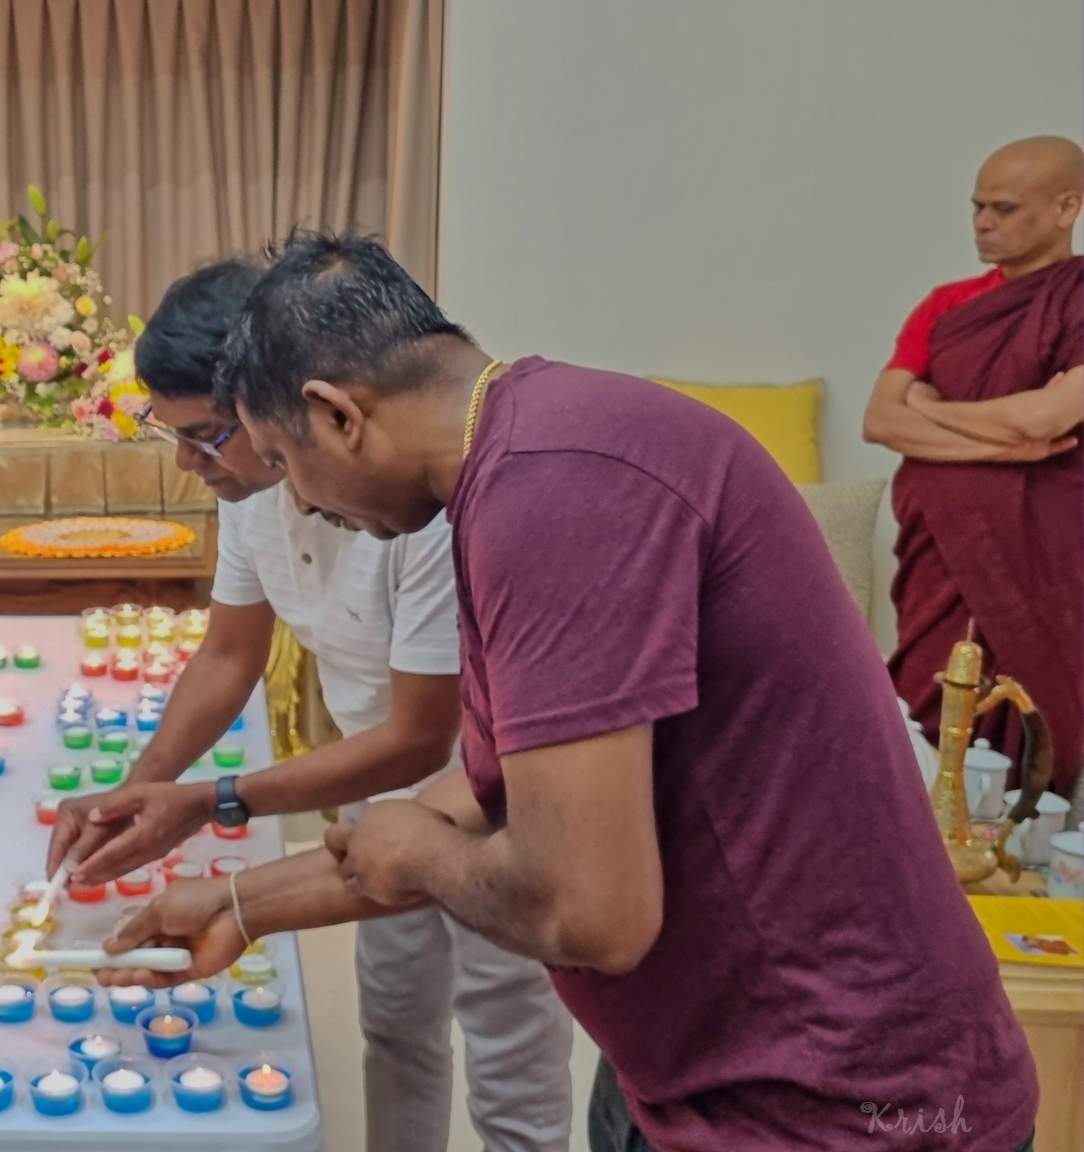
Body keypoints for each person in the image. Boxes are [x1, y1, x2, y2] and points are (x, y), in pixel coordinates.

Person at [105, 232, 1039, 1151]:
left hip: (839, 1096)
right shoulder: (530, 448)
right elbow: (483, 790)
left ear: (338, 413)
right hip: (703, 1063)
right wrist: (239, 905)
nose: (300, 503)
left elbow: (591, 912)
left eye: (285, 460)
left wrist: (419, 854)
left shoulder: (551, 494)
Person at [47, 259, 572, 1152]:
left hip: (495, 795)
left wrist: (211, 802)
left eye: (207, 436)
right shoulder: (251, 493)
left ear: (284, 410)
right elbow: (229, 653)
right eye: (168, 434)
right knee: (396, 1018)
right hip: (374, 794)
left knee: (505, 1036)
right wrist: (143, 788)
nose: (187, 462)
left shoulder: (417, 511)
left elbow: (422, 738)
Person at [863, 135, 1083, 801]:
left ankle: (1024, 835)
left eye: (1004, 208)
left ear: (1067, 207)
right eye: (977, 207)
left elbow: (1046, 420)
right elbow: (881, 420)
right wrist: (1009, 442)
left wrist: (934, 409)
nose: (983, 222)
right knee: (927, 688)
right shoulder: (945, 305)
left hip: (1043, 545)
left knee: (1041, 692)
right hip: (942, 541)